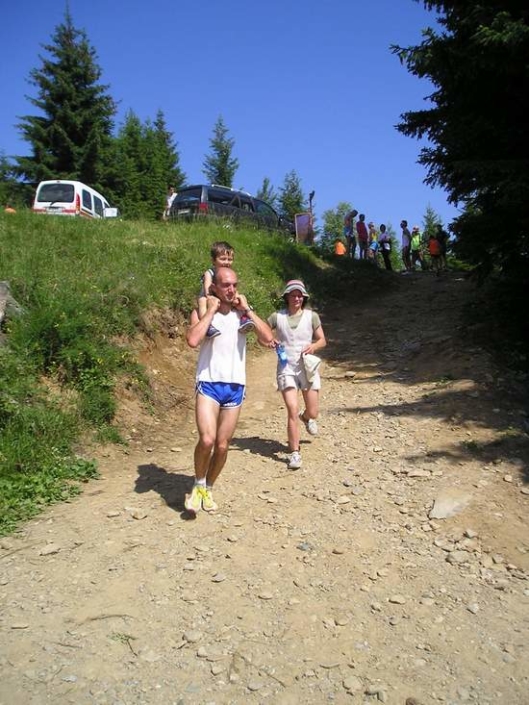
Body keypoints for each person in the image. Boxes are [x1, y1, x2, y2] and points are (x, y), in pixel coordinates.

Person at [185, 267, 273, 515]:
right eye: (225, 285)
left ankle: (209, 488)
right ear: (214, 287)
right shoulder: (203, 311)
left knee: (222, 446)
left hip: (235, 386)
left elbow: (268, 339)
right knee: (207, 439)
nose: (231, 289)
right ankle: (198, 484)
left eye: (234, 284)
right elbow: (192, 340)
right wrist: (211, 310)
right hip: (209, 383)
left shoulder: (241, 315)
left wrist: (248, 310)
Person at [268, 280, 327, 470]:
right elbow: (263, 333)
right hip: (286, 367)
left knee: (313, 411)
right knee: (292, 408)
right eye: (293, 295)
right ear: (287, 297)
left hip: (307, 367)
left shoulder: (312, 316)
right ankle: (294, 453)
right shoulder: (277, 317)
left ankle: (307, 417)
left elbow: (322, 340)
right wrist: (268, 341)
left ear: (304, 298)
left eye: (300, 295)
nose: (297, 298)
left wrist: (313, 346)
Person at [198, 241, 253, 337]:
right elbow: (207, 290)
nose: (227, 262)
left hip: (224, 297)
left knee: (241, 298)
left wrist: (236, 298)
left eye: (230, 259)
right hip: (210, 296)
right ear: (213, 260)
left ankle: (244, 318)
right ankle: (207, 326)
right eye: (223, 259)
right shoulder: (210, 273)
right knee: (202, 301)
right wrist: (210, 298)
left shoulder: (229, 273)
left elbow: (233, 289)